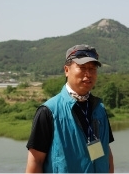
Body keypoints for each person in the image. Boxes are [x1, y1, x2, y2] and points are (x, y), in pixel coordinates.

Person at [25, 44, 114, 173]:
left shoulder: (99, 108)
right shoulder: (48, 111)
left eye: (92, 68)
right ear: (66, 70)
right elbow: (35, 162)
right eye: (82, 67)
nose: (88, 74)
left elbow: (106, 153)